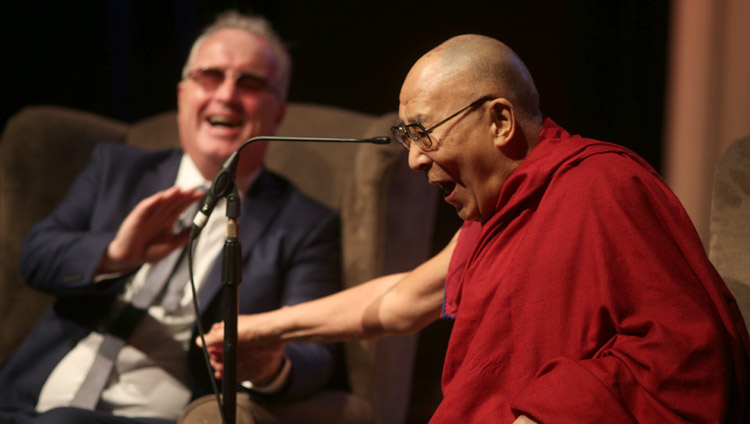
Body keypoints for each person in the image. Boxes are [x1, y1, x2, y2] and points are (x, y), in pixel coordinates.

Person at [195, 34, 750, 423]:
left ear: (501, 120)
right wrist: (266, 327)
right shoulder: (496, 216)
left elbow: (684, 356)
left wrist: (549, 414)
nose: (413, 159)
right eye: (405, 136)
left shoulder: (604, 186)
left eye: (423, 132)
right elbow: (400, 299)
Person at [0, 11, 341, 424]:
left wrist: (269, 365)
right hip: (26, 400)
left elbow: (316, 353)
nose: (227, 96)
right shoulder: (117, 169)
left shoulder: (306, 223)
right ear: (183, 95)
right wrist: (115, 253)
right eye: (210, 76)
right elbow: (35, 256)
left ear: (279, 111)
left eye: (250, 83)